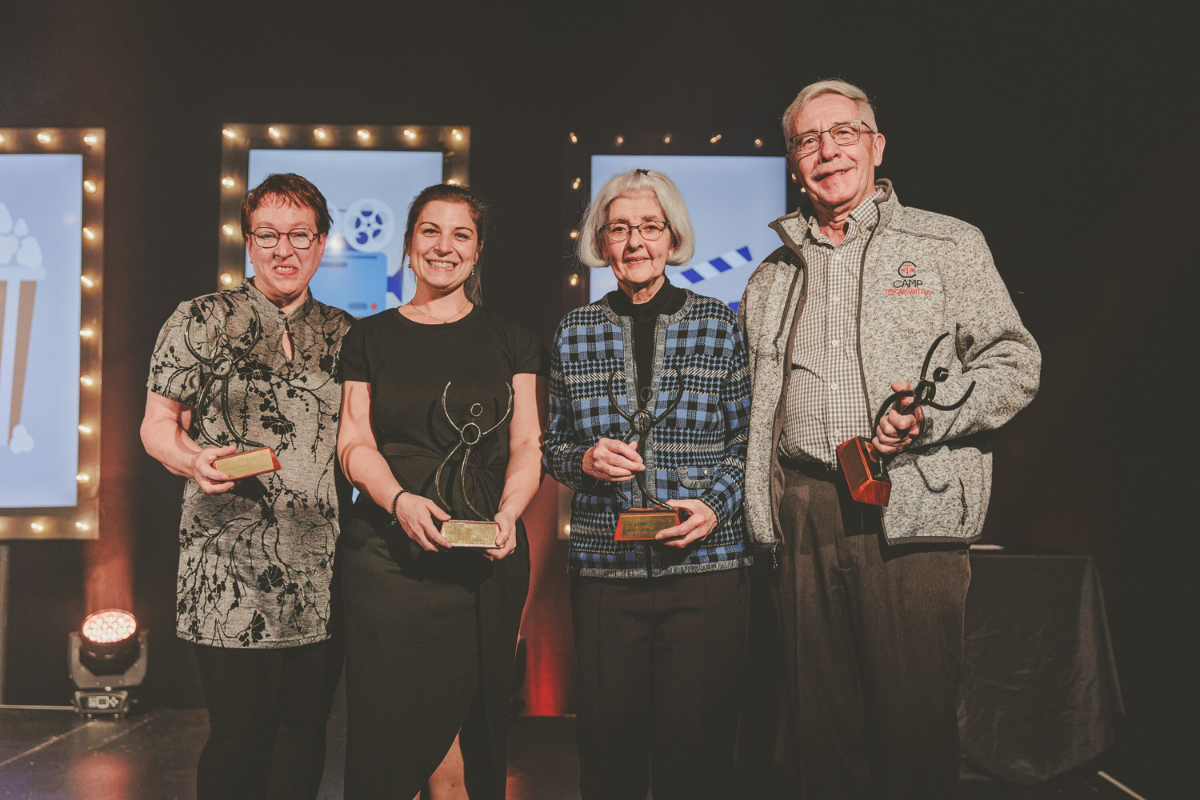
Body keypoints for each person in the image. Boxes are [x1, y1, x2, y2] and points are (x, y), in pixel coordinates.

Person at [739, 79, 1042, 798]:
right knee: (819, 734)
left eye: (845, 131)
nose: (827, 149)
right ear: (792, 163)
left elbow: (1014, 362)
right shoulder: (770, 276)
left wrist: (930, 418)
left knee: (913, 731)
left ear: (877, 145)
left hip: (913, 507)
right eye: (808, 139)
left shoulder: (948, 243)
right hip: (803, 508)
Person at [141, 173, 352, 800]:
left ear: (321, 243)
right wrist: (192, 460)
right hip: (226, 563)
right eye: (268, 236)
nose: (284, 250)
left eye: (299, 236)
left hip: (320, 567)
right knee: (240, 735)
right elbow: (156, 427)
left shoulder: (347, 335)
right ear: (247, 241)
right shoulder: (201, 319)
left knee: (304, 733)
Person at [544, 168, 752, 800]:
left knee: (700, 752)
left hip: (706, 569)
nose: (636, 241)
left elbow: (749, 440)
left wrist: (715, 507)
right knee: (608, 753)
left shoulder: (719, 322)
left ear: (673, 236)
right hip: (606, 571)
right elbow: (553, 446)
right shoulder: (574, 329)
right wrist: (584, 461)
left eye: (650, 227)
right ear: (600, 242)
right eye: (620, 228)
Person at [336, 183, 548, 800]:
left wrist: (510, 514)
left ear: (478, 251)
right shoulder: (368, 337)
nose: (444, 246)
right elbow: (354, 445)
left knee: (469, 724)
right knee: (388, 731)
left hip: (483, 555)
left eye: (461, 234)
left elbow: (528, 444)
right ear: (408, 245)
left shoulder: (512, 336)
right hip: (386, 559)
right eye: (430, 231)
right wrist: (399, 502)